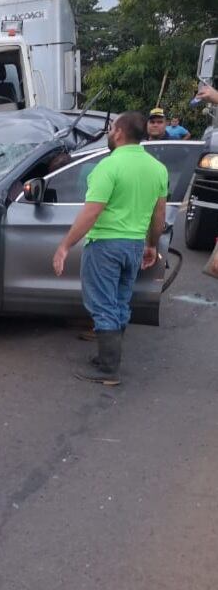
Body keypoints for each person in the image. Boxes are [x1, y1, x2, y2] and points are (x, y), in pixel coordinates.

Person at [51, 111, 168, 386]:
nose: (109, 132)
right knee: (119, 302)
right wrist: (151, 245)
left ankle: (108, 369)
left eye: (112, 127)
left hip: (105, 245)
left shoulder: (108, 166)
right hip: (134, 246)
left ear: (118, 132)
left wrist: (65, 246)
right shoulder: (157, 169)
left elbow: (91, 212)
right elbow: (159, 216)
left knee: (101, 304)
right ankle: (109, 358)